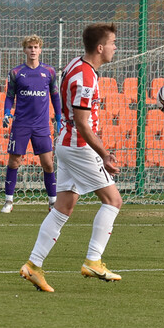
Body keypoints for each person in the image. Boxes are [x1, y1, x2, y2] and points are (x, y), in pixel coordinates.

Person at [19, 23, 123, 293]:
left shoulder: (76, 64)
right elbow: (83, 123)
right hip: (79, 147)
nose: (115, 47)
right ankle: (93, 260)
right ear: (100, 48)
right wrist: (105, 155)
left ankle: (33, 265)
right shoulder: (86, 77)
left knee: (63, 207)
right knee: (113, 200)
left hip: (65, 144)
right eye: (112, 43)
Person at [0, 35, 63, 213]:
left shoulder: (49, 72)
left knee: (48, 163)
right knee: (14, 162)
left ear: (40, 49)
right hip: (21, 124)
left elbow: (55, 96)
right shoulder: (16, 73)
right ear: (24, 50)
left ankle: (52, 203)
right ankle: (9, 201)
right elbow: (10, 96)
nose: (33, 50)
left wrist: (58, 119)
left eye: (36, 47)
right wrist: (7, 112)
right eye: (29, 47)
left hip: (41, 125)